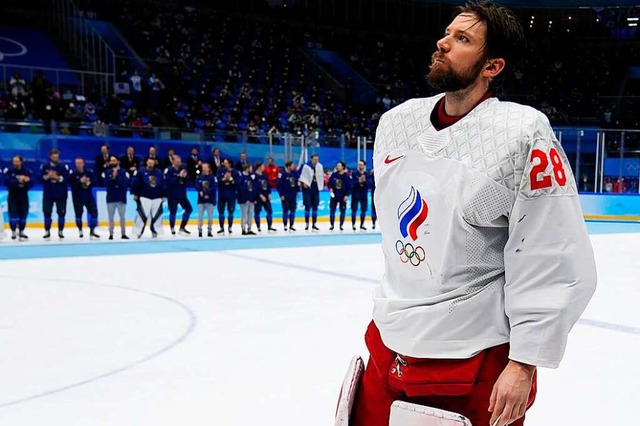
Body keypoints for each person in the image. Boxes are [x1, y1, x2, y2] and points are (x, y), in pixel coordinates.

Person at [348, 3, 597, 426]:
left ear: (492, 65)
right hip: (387, 344)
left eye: (463, 39)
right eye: (447, 33)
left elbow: (551, 251)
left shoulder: (521, 133)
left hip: (472, 360)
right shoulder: (396, 123)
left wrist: (524, 362)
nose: (443, 42)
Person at [131, 157, 165, 238]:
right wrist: (135, 193)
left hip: (157, 197)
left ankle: (155, 231)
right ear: (146, 163)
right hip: (144, 197)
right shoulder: (141, 171)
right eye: (149, 162)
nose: (151, 164)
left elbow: (163, 184)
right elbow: (135, 182)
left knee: (156, 215)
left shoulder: (158, 172)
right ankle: (138, 232)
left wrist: (163, 195)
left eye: (152, 163)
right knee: (142, 215)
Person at [40, 149, 70, 239]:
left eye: (56, 157)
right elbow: (39, 178)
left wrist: (57, 178)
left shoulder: (63, 166)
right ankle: (47, 231)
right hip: (48, 193)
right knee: (47, 212)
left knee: (61, 213)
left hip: (61, 194)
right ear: (50, 157)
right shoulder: (45, 166)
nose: (55, 158)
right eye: (53, 157)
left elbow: (67, 178)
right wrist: (47, 176)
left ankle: (60, 231)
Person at [3, 155, 33, 240]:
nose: (15, 163)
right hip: (13, 196)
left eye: (17, 161)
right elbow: (6, 181)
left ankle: (21, 231)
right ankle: (13, 231)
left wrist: (27, 181)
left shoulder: (27, 171)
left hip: (23, 195)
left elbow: (31, 182)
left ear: (21, 162)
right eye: (14, 161)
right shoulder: (9, 171)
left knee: (23, 215)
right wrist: (18, 180)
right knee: (13, 214)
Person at [70, 157, 100, 239]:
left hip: (88, 196)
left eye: (80, 163)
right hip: (77, 197)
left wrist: (88, 182)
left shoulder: (89, 172)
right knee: (78, 214)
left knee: (94, 212)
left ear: (83, 163)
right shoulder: (72, 173)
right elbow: (71, 183)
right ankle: (80, 230)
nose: (78, 165)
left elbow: (95, 181)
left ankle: (92, 230)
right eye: (77, 163)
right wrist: (80, 181)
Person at [164, 154, 193, 235]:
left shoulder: (183, 169)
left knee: (189, 209)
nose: (179, 163)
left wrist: (184, 177)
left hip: (182, 194)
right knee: (173, 211)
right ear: (173, 161)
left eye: (180, 161)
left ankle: (182, 227)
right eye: (177, 161)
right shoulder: (169, 170)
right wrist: (178, 177)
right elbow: (168, 182)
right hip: (172, 195)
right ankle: (172, 228)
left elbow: (187, 182)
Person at [102, 155, 130, 240]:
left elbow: (124, 184)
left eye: (114, 160)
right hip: (111, 198)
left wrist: (116, 178)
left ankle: (123, 233)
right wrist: (113, 177)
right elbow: (106, 184)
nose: (112, 162)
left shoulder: (124, 172)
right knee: (111, 217)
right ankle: (111, 234)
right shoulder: (106, 172)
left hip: (121, 198)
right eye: (111, 161)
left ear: (118, 161)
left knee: (122, 217)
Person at [299, 154, 324, 231]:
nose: (316, 161)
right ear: (311, 159)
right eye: (314, 159)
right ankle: (307, 224)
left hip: (316, 187)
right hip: (307, 188)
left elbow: (321, 176)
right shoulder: (306, 166)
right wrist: (303, 182)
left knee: (315, 206)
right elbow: (300, 175)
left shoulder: (320, 166)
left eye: (317, 159)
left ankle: (314, 224)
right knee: (307, 206)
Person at [216, 158, 240, 234]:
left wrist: (231, 179)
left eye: (225, 163)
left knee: (231, 212)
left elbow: (237, 183)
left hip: (231, 195)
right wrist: (223, 179)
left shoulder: (235, 172)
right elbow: (217, 180)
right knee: (221, 212)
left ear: (229, 164)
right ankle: (221, 227)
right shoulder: (220, 171)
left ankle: (230, 227)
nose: (224, 164)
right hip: (222, 195)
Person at [327, 161, 351, 231]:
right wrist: (330, 189)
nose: (337, 167)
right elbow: (329, 184)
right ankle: (332, 225)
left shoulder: (346, 176)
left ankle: (341, 225)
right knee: (332, 210)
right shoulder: (334, 175)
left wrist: (347, 195)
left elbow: (349, 187)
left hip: (342, 196)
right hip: (334, 195)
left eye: (339, 166)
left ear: (342, 167)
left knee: (342, 211)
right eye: (337, 165)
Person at [253, 162, 276, 232]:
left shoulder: (264, 175)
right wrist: (260, 195)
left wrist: (269, 194)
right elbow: (254, 187)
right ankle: (258, 227)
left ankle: (269, 226)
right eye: (263, 166)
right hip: (258, 197)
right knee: (257, 212)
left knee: (269, 211)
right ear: (259, 167)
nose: (264, 167)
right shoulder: (254, 176)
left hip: (266, 196)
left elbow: (268, 185)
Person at [195, 163, 217, 237]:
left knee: (210, 217)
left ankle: (209, 230)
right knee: (200, 216)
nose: (203, 169)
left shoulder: (212, 178)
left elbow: (213, 188)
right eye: (202, 167)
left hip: (210, 200)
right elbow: (197, 186)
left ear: (208, 168)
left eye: (205, 167)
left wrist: (206, 193)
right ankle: (200, 230)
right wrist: (200, 191)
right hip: (201, 200)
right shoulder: (199, 177)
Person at [276, 161, 299, 231]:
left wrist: (297, 190)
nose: (293, 167)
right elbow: (278, 185)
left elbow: (296, 182)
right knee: (285, 211)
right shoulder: (282, 174)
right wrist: (281, 194)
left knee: (293, 210)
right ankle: (285, 225)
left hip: (293, 195)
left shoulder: (294, 173)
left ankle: (291, 225)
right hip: (285, 195)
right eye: (292, 166)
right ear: (288, 166)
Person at [350, 160, 371, 231]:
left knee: (363, 210)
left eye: (361, 165)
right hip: (355, 194)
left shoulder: (367, 174)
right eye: (359, 164)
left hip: (363, 194)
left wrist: (365, 181)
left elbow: (370, 185)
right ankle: (353, 224)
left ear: (364, 166)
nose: (360, 166)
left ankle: (362, 224)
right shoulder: (354, 173)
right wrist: (358, 181)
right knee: (354, 210)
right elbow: (351, 184)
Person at [238, 164, 257, 235]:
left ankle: (249, 228)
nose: (252, 170)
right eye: (250, 168)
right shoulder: (241, 177)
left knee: (250, 214)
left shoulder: (251, 177)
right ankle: (243, 229)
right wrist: (245, 198)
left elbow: (254, 188)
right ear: (247, 169)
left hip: (251, 199)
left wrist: (254, 198)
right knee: (244, 214)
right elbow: (240, 189)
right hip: (244, 200)